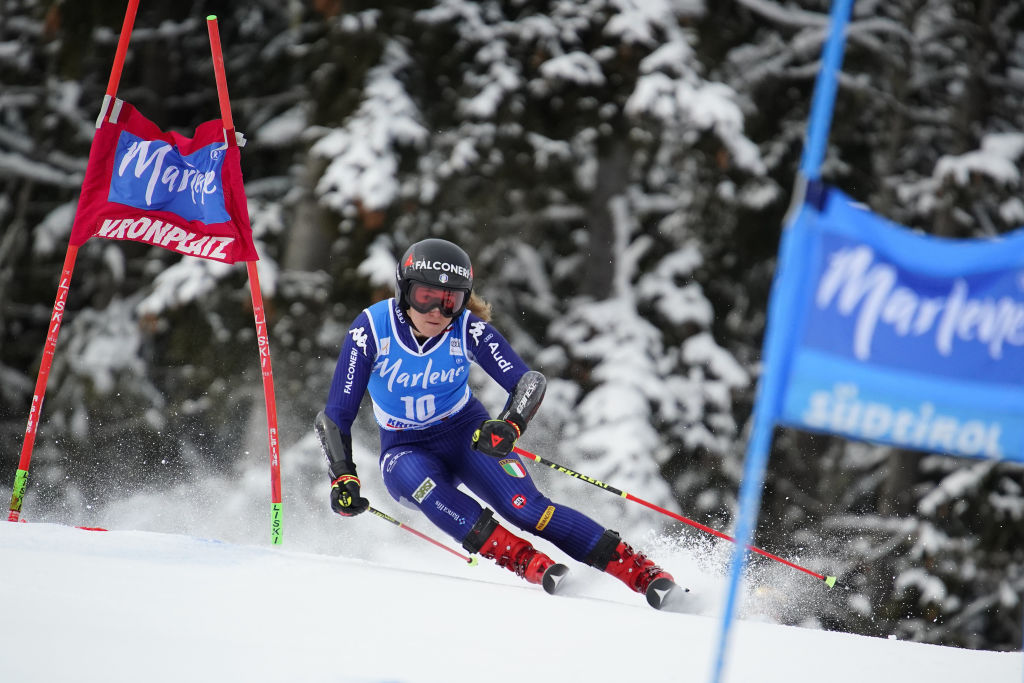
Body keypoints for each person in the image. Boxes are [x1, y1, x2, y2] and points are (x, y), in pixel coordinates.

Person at [315, 237, 678, 606]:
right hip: (405, 448)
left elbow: (528, 382)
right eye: (425, 296)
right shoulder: (372, 330)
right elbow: (335, 415)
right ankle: (524, 560)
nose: (437, 311)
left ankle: (642, 572)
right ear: (404, 290)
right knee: (420, 483)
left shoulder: (465, 329)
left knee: (525, 508)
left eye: (450, 301)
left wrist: (510, 424)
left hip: (466, 433)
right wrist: (343, 475)